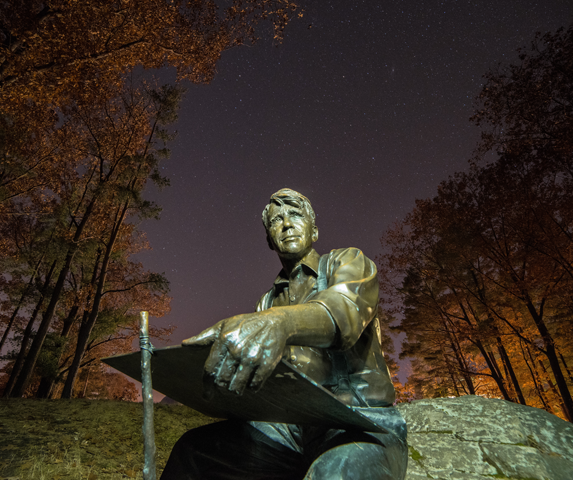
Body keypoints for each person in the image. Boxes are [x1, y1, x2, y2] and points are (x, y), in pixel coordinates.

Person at [161, 188, 407, 480]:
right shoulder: (266, 302)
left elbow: (342, 314)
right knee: (194, 452)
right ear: (269, 240)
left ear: (314, 230)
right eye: (276, 220)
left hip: (362, 425)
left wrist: (279, 323)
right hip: (290, 429)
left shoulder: (348, 262)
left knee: (334, 473)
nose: (287, 224)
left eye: (295, 215)